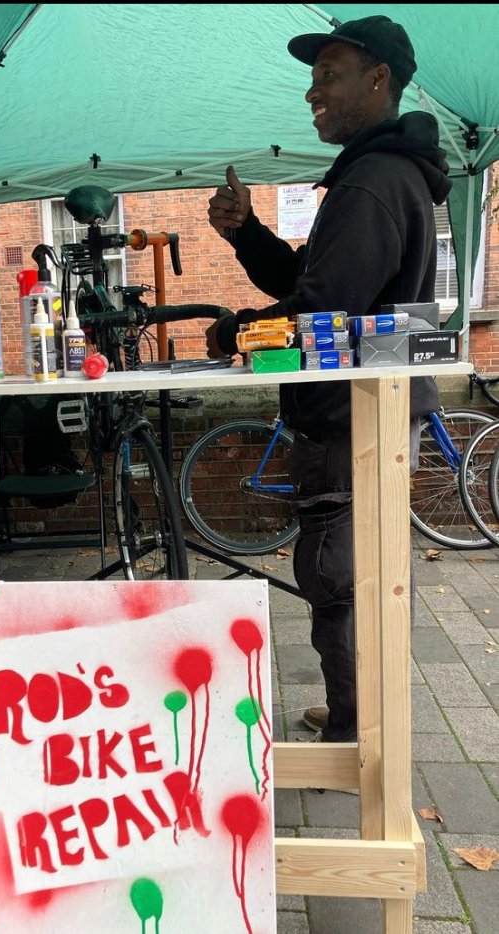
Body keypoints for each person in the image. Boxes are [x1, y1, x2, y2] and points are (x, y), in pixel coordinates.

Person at [205, 15, 451, 742]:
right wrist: (246, 233)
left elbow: (318, 308)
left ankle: (358, 737)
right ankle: (355, 713)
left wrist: (236, 329)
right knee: (350, 569)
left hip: (353, 420)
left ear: (379, 80)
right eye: (312, 81)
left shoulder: (374, 181)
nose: (313, 93)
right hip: (363, 411)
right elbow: (313, 277)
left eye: (329, 77)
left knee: (338, 575)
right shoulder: (370, 176)